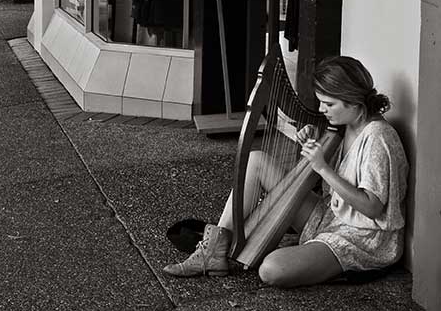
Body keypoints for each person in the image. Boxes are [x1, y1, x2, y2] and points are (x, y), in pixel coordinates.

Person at [164, 56, 408, 288]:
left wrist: (322, 166)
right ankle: (214, 248)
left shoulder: (378, 138)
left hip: (362, 238)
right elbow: (338, 179)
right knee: (257, 160)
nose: (322, 109)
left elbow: (372, 207)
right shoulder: (348, 125)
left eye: (329, 103)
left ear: (354, 101)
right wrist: (312, 143)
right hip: (333, 216)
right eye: (321, 101)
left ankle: (315, 258)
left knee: (271, 270)